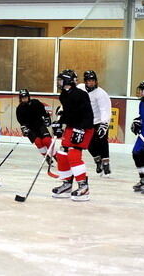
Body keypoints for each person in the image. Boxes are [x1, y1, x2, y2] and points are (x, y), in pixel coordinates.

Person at [50, 69, 94, 201]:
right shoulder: (63, 94)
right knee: (62, 154)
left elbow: (88, 115)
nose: (59, 83)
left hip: (84, 128)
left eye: (61, 80)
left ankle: (83, 187)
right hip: (71, 127)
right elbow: (68, 113)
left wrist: (80, 129)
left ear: (68, 80)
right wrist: (59, 123)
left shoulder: (81, 94)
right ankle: (67, 184)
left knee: (74, 154)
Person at [82, 71, 113, 177]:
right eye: (89, 81)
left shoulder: (101, 93)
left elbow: (105, 109)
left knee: (102, 141)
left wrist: (104, 125)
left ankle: (106, 164)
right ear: (85, 81)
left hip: (100, 121)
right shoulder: (80, 89)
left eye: (93, 81)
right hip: (87, 121)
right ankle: (98, 160)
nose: (91, 83)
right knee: (88, 143)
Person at [15, 89, 54, 166]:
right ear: (20, 98)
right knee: (38, 142)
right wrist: (24, 129)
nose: (24, 99)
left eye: (25, 97)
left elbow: (44, 113)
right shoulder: (19, 109)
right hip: (31, 129)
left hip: (40, 125)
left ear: (28, 97)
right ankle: (46, 157)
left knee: (47, 140)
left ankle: (56, 156)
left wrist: (47, 118)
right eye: (22, 98)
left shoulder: (35, 103)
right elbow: (22, 122)